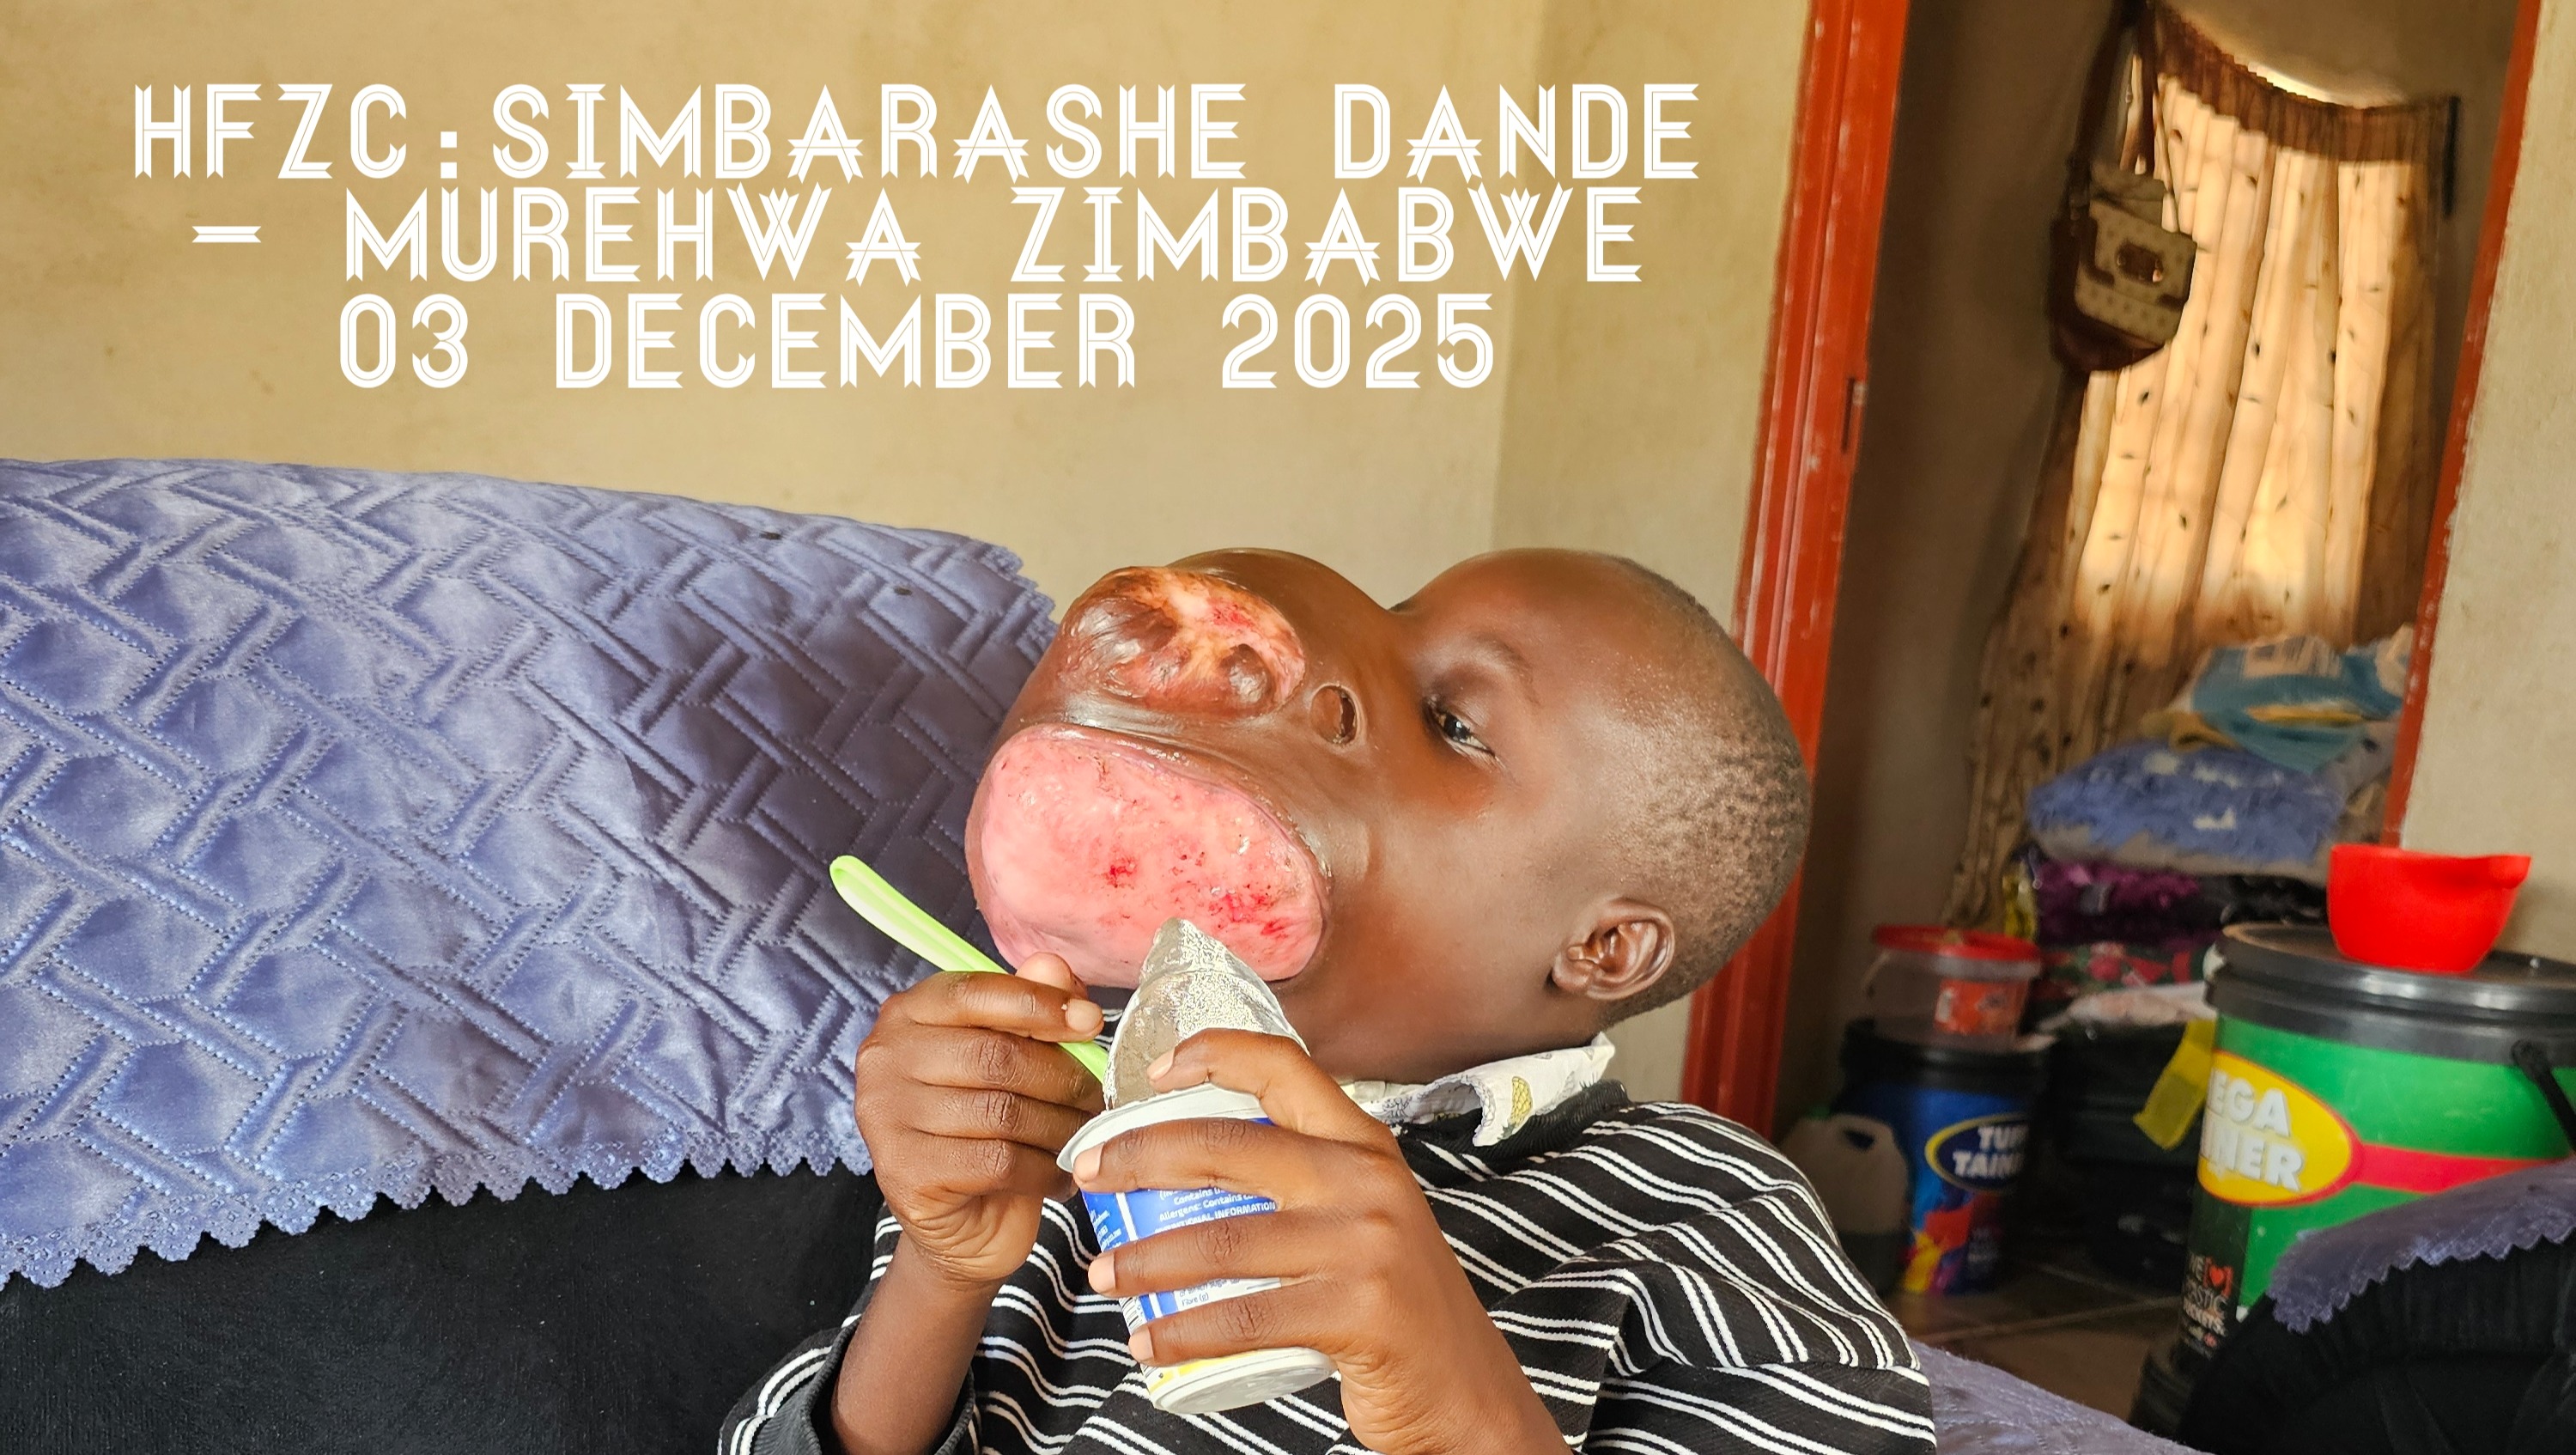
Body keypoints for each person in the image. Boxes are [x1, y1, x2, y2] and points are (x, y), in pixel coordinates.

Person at [721, 549, 1934, 1455]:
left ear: (1603, 948)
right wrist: (941, 1272)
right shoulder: (1071, 1124)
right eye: (1391, 621)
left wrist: (1462, 1413)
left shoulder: (1698, 1210)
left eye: (1452, 723)